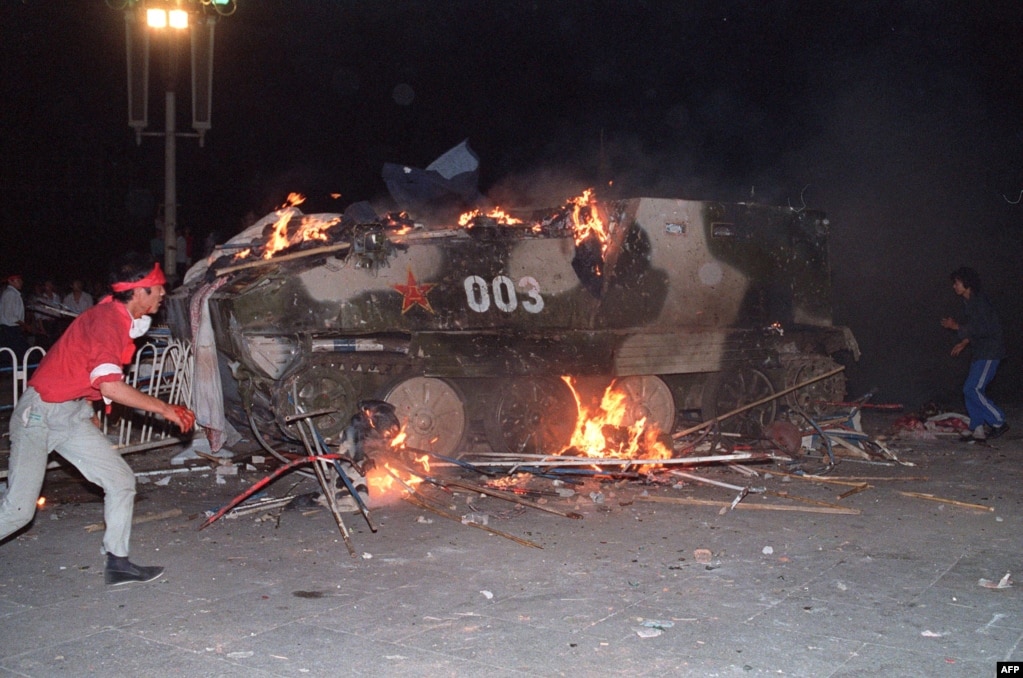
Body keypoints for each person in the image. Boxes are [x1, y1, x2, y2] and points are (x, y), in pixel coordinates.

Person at [0, 253, 196, 586]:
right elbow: (110, 385)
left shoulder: (114, 317)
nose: (163, 294)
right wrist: (164, 408)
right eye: (157, 288)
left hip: (70, 413)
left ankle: (118, 563)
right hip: (40, 415)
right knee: (19, 511)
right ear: (138, 291)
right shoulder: (108, 319)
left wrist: (87, 412)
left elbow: (83, 372)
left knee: (120, 481)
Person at [940, 266, 1008, 442]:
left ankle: (999, 421)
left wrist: (956, 327)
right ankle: (977, 429)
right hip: (980, 351)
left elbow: (985, 328)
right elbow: (977, 329)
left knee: (973, 389)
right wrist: (964, 342)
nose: (954, 286)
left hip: (990, 351)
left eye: (956, 282)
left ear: (967, 283)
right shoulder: (970, 303)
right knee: (969, 390)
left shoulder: (980, 302)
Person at [0, 274, 30, 360]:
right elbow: (10, 316)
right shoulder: (10, 294)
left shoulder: (14, 294)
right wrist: (24, 325)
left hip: (11, 328)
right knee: (21, 352)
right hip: (9, 329)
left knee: (10, 353)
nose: (21, 282)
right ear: (10, 281)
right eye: (18, 280)